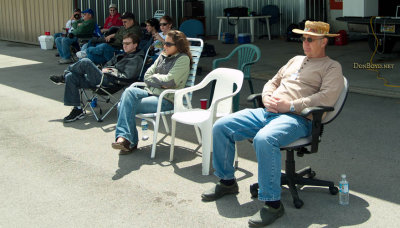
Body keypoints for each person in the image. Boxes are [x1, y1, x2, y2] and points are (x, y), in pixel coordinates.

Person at [201, 21, 344, 227]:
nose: (305, 43)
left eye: (310, 39)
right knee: (222, 126)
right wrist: (267, 96)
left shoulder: (332, 67)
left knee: (264, 139)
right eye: (303, 38)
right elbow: (273, 81)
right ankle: (227, 182)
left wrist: (291, 105)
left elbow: (327, 98)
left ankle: (273, 204)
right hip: (268, 111)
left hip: (297, 118)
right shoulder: (295, 59)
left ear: (323, 42)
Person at [112, 30, 192, 155]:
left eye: (168, 44)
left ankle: (127, 141)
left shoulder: (183, 59)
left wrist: (156, 79)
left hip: (166, 99)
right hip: (151, 93)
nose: (164, 46)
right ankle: (126, 140)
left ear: (179, 46)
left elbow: (170, 81)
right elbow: (146, 76)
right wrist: (159, 81)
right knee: (129, 91)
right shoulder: (162, 55)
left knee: (122, 105)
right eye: (164, 43)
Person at [50, 33, 144, 123]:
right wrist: (105, 69)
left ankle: (63, 77)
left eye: (127, 43)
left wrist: (111, 71)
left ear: (135, 45)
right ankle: (77, 110)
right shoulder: (121, 55)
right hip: (102, 78)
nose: (124, 46)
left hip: (111, 83)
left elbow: (127, 77)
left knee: (86, 62)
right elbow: (107, 65)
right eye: (123, 43)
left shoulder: (136, 59)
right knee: (71, 77)